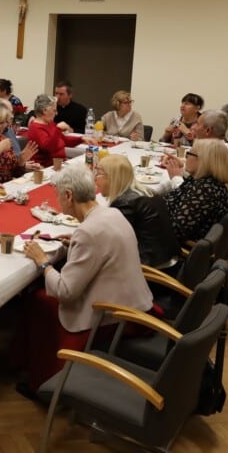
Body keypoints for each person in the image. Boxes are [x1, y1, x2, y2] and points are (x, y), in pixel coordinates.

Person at [18, 164, 154, 396]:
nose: (58, 202)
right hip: (133, 301)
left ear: (69, 195)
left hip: (111, 315)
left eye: (58, 196)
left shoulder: (88, 231)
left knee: (38, 300)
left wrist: (42, 261)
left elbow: (65, 292)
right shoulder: (112, 213)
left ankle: (44, 379)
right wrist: (76, 244)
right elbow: (102, 249)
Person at [94, 154, 179, 271]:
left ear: (112, 177)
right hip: (167, 259)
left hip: (152, 270)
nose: (95, 178)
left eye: (99, 173)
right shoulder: (145, 191)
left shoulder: (124, 203)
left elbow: (109, 243)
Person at [164, 138, 228, 247]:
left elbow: (176, 230)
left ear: (203, 160)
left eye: (189, 154)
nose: (186, 158)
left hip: (172, 249)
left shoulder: (206, 191)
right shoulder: (201, 181)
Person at [189, 109, 228, 198]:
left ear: (208, 130)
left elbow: (203, 190)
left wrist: (176, 177)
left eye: (197, 124)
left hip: (210, 204)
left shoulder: (223, 153)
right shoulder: (218, 148)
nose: (193, 127)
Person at [26, 94, 85, 167]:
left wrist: (82, 139)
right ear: (45, 110)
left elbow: (65, 140)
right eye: (54, 110)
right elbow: (49, 147)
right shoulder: (35, 128)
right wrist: (58, 129)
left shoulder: (50, 124)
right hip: (44, 168)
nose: (56, 113)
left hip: (58, 165)